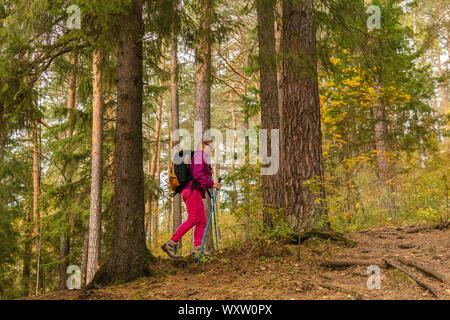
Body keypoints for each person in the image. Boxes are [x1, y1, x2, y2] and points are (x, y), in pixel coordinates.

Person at [161, 139, 222, 258]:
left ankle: (197, 248)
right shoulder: (200, 155)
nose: (212, 150)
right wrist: (211, 184)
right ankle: (171, 243)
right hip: (192, 191)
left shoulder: (201, 157)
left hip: (195, 192)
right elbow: (197, 175)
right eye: (211, 147)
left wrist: (207, 172)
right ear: (204, 146)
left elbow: (198, 173)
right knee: (193, 219)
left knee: (202, 221)